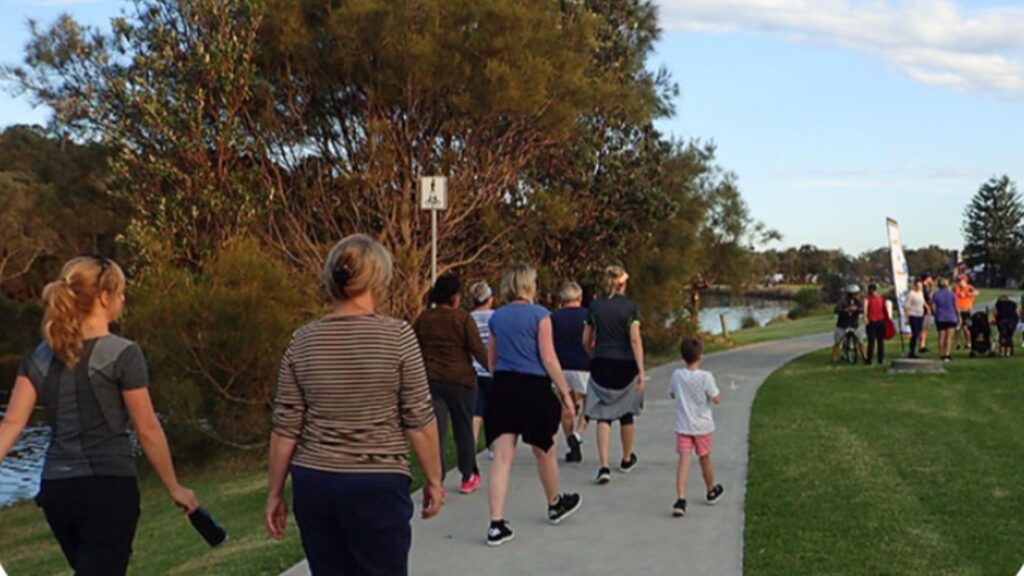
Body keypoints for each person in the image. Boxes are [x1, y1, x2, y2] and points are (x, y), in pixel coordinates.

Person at [0, 255, 199, 576]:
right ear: (105, 298)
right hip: (107, 486)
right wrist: (174, 487)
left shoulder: (38, 357)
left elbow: (11, 424)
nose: (123, 299)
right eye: (120, 293)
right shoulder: (123, 353)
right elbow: (147, 427)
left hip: (57, 490)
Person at [266, 234, 444, 575]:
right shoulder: (398, 337)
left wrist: (275, 492)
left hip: (315, 482)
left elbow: (286, 425)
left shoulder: (302, 340)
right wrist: (434, 478)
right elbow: (419, 418)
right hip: (376, 482)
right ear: (379, 279)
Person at [484, 263, 580, 547]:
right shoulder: (541, 315)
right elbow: (549, 358)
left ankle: (496, 524)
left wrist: (502, 377)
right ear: (529, 286)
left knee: (502, 458)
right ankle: (554, 503)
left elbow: (492, 360)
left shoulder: (496, 318)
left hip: (503, 386)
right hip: (534, 387)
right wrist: (564, 393)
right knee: (544, 450)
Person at [414, 274, 489, 494]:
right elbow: (477, 349)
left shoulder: (424, 318)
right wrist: (494, 369)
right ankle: (468, 475)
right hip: (461, 381)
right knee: (463, 429)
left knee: (436, 431)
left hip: (432, 381)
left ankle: (436, 479)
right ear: (455, 297)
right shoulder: (462, 318)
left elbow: (412, 345)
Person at [583, 265, 645, 485]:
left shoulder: (595, 307)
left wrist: (594, 355)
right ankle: (627, 459)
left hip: (601, 362)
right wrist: (641, 368)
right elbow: (635, 339)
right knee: (626, 413)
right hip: (625, 363)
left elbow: (586, 339)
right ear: (623, 284)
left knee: (603, 414)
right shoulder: (630, 308)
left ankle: (604, 466)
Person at [668, 338, 724, 517]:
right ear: (700, 356)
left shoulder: (677, 375)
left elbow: (671, 393)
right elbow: (716, 399)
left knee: (684, 461)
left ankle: (681, 498)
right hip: (702, 426)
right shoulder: (706, 377)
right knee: (704, 458)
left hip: (684, 426)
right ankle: (710, 489)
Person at [551, 281, 590, 463]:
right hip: (584, 365)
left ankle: (570, 445)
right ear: (579, 298)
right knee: (591, 402)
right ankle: (578, 433)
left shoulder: (553, 318)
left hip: (561, 367)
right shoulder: (587, 315)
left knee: (567, 406)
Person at [468, 281, 496, 451]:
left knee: (476, 412)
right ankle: (492, 445)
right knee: (493, 412)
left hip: (473, 371)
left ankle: (471, 445)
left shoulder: (468, 318)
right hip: (492, 370)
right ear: (490, 299)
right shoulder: (496, 317)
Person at [831, 284, 867, 363]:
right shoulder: (843, 301)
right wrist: (846, 310)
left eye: (857, 293)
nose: (857, 295)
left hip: (854, 324)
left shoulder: (858, 301)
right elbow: (837, 309)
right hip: (842, 325)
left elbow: (863, 309)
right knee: (837, 342)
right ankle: (834, 357)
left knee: (861, 341)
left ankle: (864, 356)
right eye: (855, 293)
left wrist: (856, 309)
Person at [931, 278, 959, 362]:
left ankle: (941, 354)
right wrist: (959, 316)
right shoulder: (952, 294)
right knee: (949, 337)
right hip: (951, 317)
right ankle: (947, 354)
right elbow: (956, 306)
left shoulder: (936, 295)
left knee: (941, 336)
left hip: (940, 317)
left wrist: (935, 314)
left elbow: (933, 307)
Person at [864, 284, 889, 366]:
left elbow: (865, 309)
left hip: (872, 321)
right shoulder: (881, 298)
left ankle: (869, 360)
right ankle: (880, 360)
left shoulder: (867, 299)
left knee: (871, 342)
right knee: (880, 342)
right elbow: (885, 309)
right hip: (881, 321)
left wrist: (865, 318)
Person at [905, 279, 930, 358]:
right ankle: (912, 351)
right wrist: (907, 318)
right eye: (918, 286)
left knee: (919, 333)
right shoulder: (911, 294)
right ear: (915, 286)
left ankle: (915, 349)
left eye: (921, 286)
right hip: (913, 315)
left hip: (920, 315)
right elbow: (906, 306)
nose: (920, 287)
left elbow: (922, 302)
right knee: (915, 333)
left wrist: (927, 307)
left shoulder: (920, 293)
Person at [953, 275, 979, 350]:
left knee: (966, 328)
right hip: (958, 310)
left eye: (962, 281)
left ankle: (969, 343)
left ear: (965, 281)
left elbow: (977, 292)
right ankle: (958, 343)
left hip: (967, 310)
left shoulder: (969, 287)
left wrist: (967, 294)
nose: (960, 283)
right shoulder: (956, 288)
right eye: (959, 281)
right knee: (957, 327)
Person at [918, 273, 935, 353]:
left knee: (926, 328)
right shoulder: (922, 287)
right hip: (924, 309)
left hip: (927, 309)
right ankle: (922, 345)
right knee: (924, 328)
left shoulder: (927, 287)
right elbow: (928, 297)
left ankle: (923, 344)